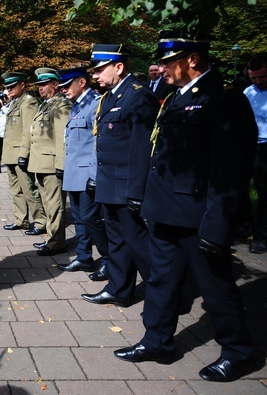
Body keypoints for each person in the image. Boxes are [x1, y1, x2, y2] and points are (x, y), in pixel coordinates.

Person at [114, 31, 257, 383]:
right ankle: (157, 340)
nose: (160, 68)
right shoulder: (176, 97)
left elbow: (230, 170)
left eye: (166, 62)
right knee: (162, 281)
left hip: (198, 216)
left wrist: (218, 224)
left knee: (215, 286)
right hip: (165, 211)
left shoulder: (224, 101)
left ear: (191, 59)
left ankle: (238, 352)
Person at [81, 44, 159, 307]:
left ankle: (166, 293)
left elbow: (142, 149)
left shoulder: (138, 96)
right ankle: (120, 290)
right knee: (117, 243)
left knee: (140, 245)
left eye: (100, 69)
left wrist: (137, 191)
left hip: (127, 187)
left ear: (119, 67)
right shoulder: (111, 97)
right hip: (110, 184)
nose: (96, 75)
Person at [57, 67, 109, 280]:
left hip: (88, 174)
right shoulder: (77, 105)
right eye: (61, 87)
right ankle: (84, 257)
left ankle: (108, 259)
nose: (63, 91)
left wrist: (95, 176)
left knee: (91, 218)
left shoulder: (95, 103)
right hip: (74, 173)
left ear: (82, 82)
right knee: (79, 218)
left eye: (67, 86)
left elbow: (98, 143)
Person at [20, 68, 71, 256]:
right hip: (40, 163)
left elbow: (62, 137)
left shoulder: (62, 106)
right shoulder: (45, 105)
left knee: (55, 205)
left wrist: (61, 164)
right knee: (48, 204)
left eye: (44, 84)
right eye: (39, 85)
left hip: (51, 165)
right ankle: (51, 238)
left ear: (56, 85)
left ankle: (56, 242)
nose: (40, 88)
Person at [0, 72, 47, 234]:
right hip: (10, 154)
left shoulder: (28, 102)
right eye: (7, 87)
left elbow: (29, 130)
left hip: (20, 154)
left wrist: (24, 154)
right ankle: (21, 220)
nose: (9, 89)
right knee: (16, 190)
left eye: (13, 86)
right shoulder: (15, 102)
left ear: (23, 85)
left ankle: (41, 222)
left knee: (28, 189)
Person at [244, 53, 267, 254]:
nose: (258, 81)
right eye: (254, 78)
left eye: (262, 77)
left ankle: (261, 236)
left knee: (264, 194)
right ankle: (244, 227)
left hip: (266, 147)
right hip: (248, 146)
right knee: (239, 189)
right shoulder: (248, 93)